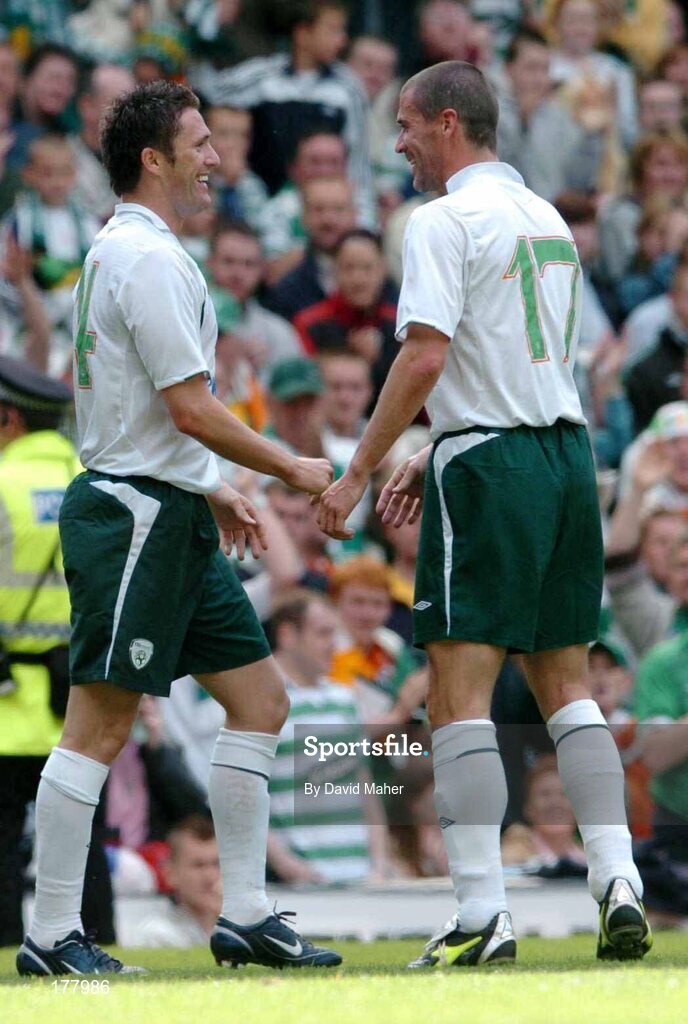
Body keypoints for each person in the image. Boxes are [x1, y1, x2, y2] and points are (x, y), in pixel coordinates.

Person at [316, 60, 651, 967]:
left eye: (409, 126)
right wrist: (438, 443)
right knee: (565, 684)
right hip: (567, 458)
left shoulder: (441, 219)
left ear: (449, 124)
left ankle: (479, 913)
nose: (399, 144)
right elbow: (520, 364)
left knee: (458, 696)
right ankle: (617, 876)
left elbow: (425, 358)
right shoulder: (547, 217)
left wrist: (358, 472)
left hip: (491, 464)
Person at [15, 81, 340, 978]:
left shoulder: (128, 253)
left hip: (165, 507)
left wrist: (213, 489)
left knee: (260, 702)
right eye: (198, 143)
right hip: (132, 516)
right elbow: (188, 410)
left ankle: (245, 915)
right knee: (98, 726)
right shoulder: (149, 261)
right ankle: (49, 936)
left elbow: (157, 417)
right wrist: (288, 468)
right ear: (153, 159)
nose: (213, 157)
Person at [0, 355, 113, 947]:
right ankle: (94, 944)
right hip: (86, 699)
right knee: (83, 839)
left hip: (7, 705)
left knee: (0, 850)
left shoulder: (1, 485)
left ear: (8, 419)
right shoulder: (93, 481)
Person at [137, 815, 222, 948]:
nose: (210, 877)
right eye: (198, 865)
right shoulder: (158, 934)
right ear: (170, 874)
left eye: (217, 864)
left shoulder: (251, 922)